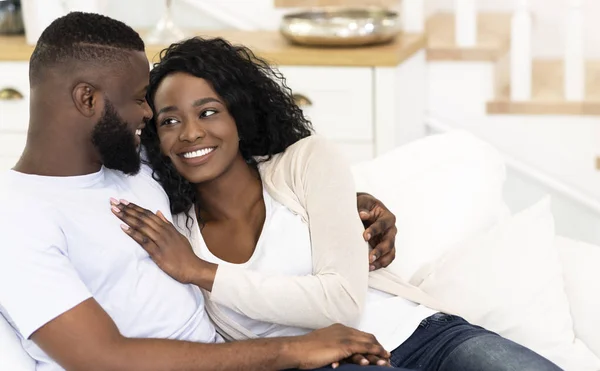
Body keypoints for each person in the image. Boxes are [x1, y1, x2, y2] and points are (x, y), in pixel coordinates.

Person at [112, 36, 564, 371]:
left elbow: (342, 301)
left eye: (208, 111)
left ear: (238, 113)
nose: (190, 133)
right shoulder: (174, 228)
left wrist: (201, 272)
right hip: (333, 366)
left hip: (425, 336)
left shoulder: (305, 162)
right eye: (170, 120)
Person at [0, 12, 405, 371]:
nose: (149, 114)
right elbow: (103, 358)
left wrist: (345, 203)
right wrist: (292, 350)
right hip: (263, 356)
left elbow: (225, 160)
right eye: (140, 99)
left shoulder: (131, 158)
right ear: (87, 98)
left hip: (247, 351)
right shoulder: (17, 221)